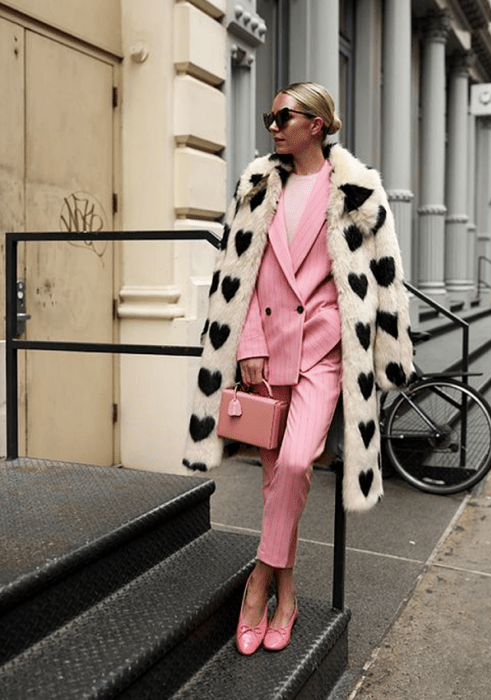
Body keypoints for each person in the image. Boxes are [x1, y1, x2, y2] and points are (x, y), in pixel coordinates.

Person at [183, 82, 414, 655]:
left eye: (283, 115)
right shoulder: (257, 183)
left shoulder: (359, 189)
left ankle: (257, 581)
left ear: (317, 123)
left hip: (326, 354)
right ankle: (287, 596)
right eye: (269, 116)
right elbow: (237, 270)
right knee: (275, 480)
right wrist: (249, 344)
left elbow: (386, 277)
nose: (272, 126)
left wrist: (391, 355)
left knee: (293, 460)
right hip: (267, 348)